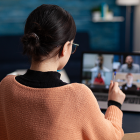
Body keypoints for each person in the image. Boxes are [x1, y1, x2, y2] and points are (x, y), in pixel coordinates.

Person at [0, 4, 126, 140]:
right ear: (65, 48)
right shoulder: (78, 96)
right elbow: (112, 137)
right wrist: (115, 104)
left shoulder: (5, 86)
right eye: (73, 46)